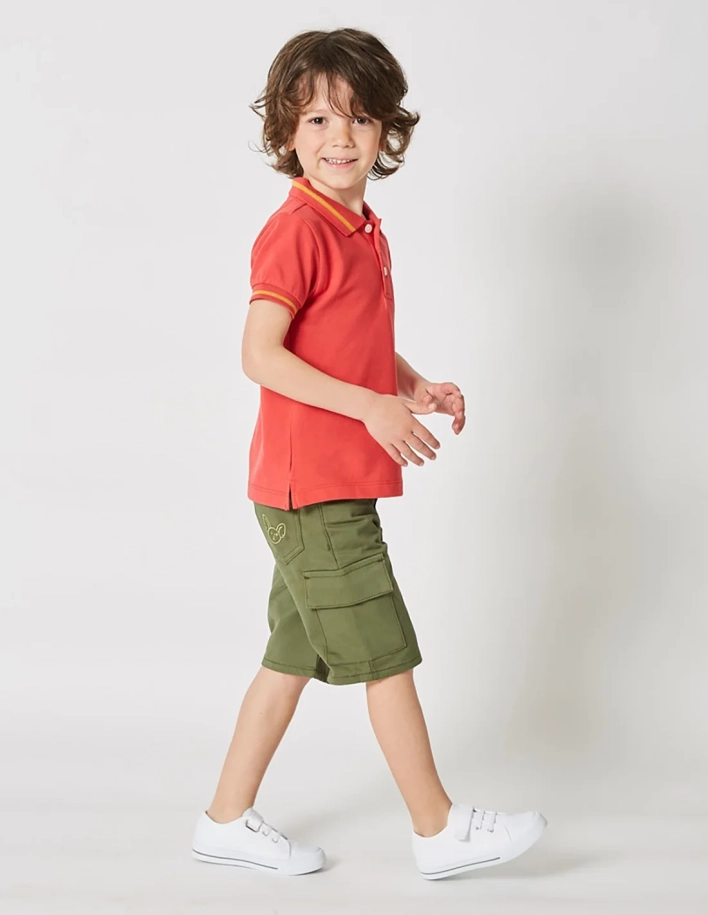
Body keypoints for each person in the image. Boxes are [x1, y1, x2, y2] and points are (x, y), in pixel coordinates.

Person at [191, 27, 546, 880]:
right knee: (386, 652)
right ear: (286, 133)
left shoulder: (360, 227)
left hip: (320, 486)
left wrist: (411, 385)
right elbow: (261, 354)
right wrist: (370, 407)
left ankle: (225, 819)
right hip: (310, 489)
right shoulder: (296, 231)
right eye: (317, 119)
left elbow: (346, 340)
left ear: (386, 128)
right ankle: (439, 827)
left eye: (357, 117)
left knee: (290, 657)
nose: (339, 137)